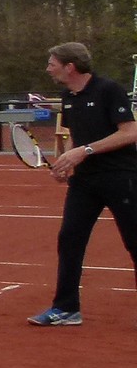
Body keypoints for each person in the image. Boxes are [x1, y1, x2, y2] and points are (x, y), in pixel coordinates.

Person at [30, 41, 137, 326]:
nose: (48, 69)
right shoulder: (68, 96)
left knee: (134, 242)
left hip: (121, 177)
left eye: (52, 64)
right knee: (69, 240)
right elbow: (77, 138)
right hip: (85, 181)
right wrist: (66, 163)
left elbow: (129, 133)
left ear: (70, 66)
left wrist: (85, 151)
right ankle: (66, 308)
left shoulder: (108, 90)